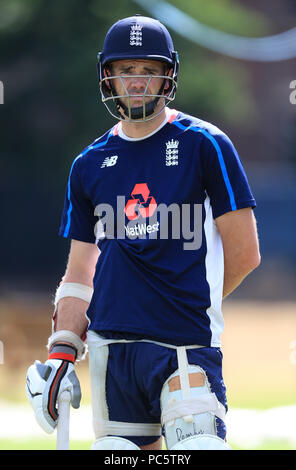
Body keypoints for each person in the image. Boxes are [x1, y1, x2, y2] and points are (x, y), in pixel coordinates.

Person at [26, 15, 261, 451]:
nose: (137, 82)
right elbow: (79, 272)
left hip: (184, 345)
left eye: (148, 71)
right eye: (126, 70)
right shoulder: (88, 163)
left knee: (199, 448)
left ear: (168, 75)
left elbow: (244, 253)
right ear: (108, 76)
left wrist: (185, 303)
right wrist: (62, 350)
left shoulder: (205, 144)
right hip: (112, 350)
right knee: (114, 453)